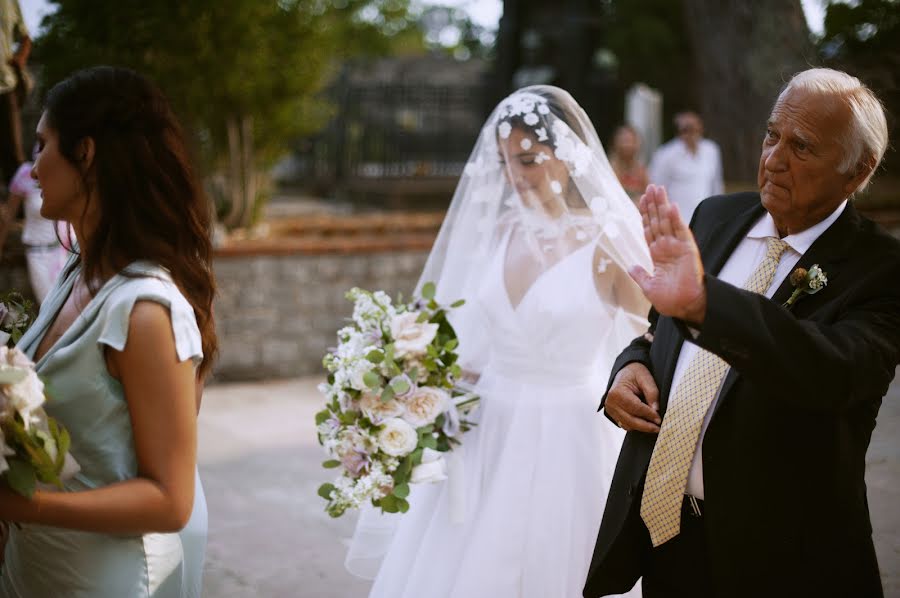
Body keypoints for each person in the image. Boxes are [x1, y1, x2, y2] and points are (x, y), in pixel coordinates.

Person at [583, 67, 897, 598]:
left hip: (787, 559)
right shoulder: (714, 218)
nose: (773, 159)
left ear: (858, 169)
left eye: (801, 146)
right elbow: (662, 334)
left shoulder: (881, 267)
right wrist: (629, 367)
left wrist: (708, 303)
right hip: (668, 537)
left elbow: (830, 371)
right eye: (772, 135)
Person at [346, 85, 651, 598]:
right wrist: (402, 398)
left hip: (567, 437)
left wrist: (631, 376)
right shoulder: (499, 230)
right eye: (505, 161)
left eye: (529, 160)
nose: (515, 176)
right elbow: (467, 340)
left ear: (566, 156)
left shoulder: (605, 244)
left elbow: (661, 331)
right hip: (483, 432)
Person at [0, 66, 217, 598]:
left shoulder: (145, 313)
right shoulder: (77, 272)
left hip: (105, 580)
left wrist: (17, 504)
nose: (33, 165)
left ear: (87, 153)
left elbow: (170, 500)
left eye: (43, 144)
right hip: (34, 566)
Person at [0, 148, 71, 303]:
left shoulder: (62, 172)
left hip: (61, 252)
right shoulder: (25, 174)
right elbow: (8, 216)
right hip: (37, 253)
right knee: (49, 306)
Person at [647, 111, 723, 222]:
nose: (690, 133)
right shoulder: (665, 154)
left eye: (694, 128)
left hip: (706, 220)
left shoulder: (711, 150)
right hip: (677, 220)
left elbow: (716, 185)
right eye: (685, 129)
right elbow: (657, 188)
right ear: (678, 131)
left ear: (701, 128)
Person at [0, 0, 30, 184]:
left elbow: (25, 37)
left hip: (6, 84)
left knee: (13, 151)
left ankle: (18, 208)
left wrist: (20, 58)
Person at [609, 125, 649, 202]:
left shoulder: (641, 171)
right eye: (624, 140)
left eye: (631, 141)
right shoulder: (610, 169)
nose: (627, 145)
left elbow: (646, 192)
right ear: (616, 142)